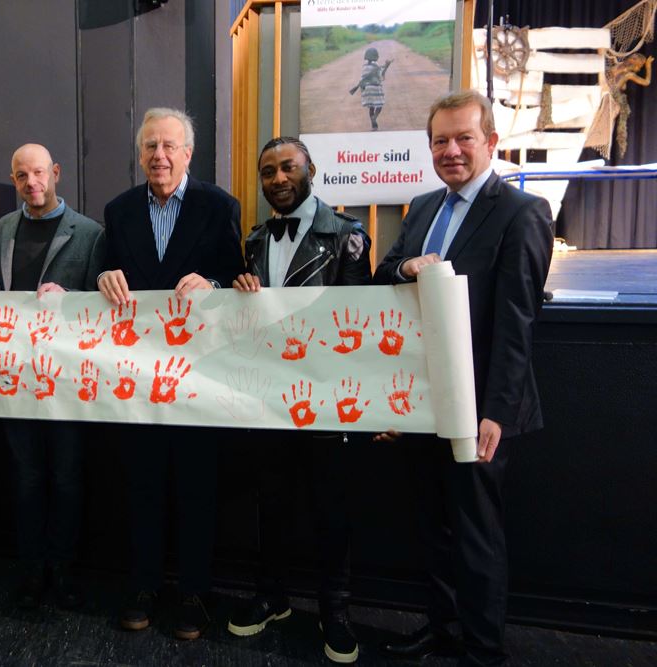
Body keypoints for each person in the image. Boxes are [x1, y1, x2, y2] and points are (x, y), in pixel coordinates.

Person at [373, 90, 553, 666]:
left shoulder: (523, 213)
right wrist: (404, 266)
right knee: (433, 526)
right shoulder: (423, 207)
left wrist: (494, 411)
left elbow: (517, 320)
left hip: (481, 409)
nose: (450, 151)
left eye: (463, 138)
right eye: (440, 141)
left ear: (491, 142)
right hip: (424, 397)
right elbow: (384, 273)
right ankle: (443, 627)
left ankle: (482, 649)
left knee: (477, 533)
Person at [98, 107, 245, 640]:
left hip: (199, 376)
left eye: (169, 146)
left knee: (196, 487)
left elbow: (239, 274)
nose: (158, 156)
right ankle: (143, 584)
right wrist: (103, 276)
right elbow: (107, 273)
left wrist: (214, 281)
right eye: (149, 147)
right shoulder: (117, 212)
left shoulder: (218, 205)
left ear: (188, 154)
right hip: (137, 378)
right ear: (140, 154)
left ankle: (194, 593)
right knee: (140, 484)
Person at [228, 137, 371, 663]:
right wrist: (238, 286)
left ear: (311, 169)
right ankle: (273, 596)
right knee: (272, 502)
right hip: (268, 398)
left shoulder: (349, 235)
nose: (278, 179)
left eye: (288, 168)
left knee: (332, 509)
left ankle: (336, 609)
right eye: (268, 172)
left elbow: (357, 324)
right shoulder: (254, 239)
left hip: (329, 399)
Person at [0, 143, 105, 609]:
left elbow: (101, 306)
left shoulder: (91, 232)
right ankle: (32, 568)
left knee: (68, 478)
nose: (30, 183)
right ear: (13, 179)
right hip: (16, 377)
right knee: (26, 477)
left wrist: (70, 295)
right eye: (20, 176)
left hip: (68, 381)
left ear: (55, 173)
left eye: (38, 173)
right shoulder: (0, 230)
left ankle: (64, 568)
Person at [349, 46, 392, 131]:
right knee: (380, 104)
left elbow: (363, 78)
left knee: (371, 106)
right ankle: (375, 117)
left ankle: (374, 126)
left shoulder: (364, 66)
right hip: (375, 88)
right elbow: (381, 76)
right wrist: (387, 66)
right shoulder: (375, 65)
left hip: (367, 88)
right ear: (376, 56)